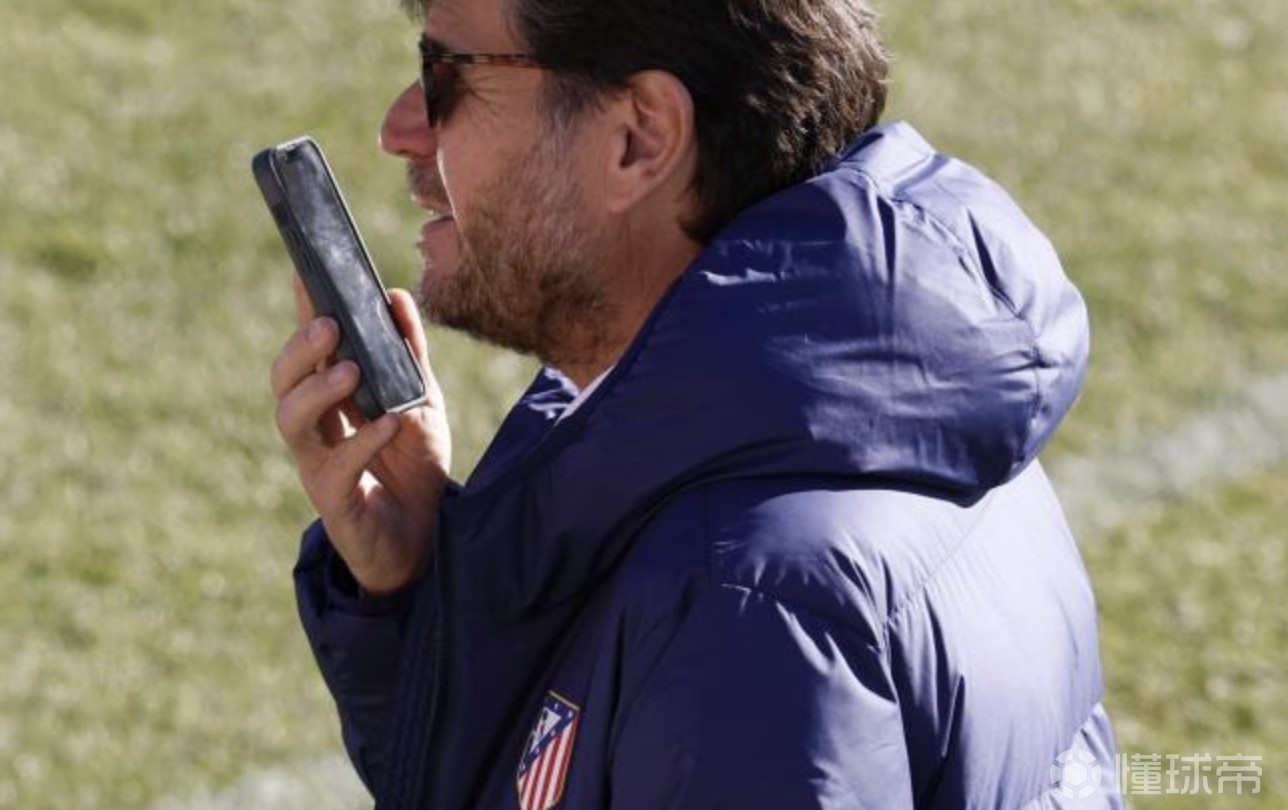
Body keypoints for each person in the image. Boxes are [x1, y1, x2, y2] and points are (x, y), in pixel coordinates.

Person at [271, 0, 1122, 806]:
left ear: (639, 138)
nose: (400, 128)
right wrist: (427, 587)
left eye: (446, 72)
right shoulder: (871, 393)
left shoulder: (743, 613)